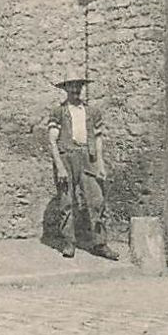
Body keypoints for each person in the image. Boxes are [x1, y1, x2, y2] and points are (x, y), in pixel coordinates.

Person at [45, 75, 118, 261]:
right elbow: (52, 142)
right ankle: (69, 242)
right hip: (66, 157)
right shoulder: (57, 112)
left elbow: (99, 140)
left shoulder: (92, 112)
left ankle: (100, 243)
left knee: (96, 201)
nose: (75, 91)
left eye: (78, 87)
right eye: (71, 87)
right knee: (66, 201)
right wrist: (60, 167)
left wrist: (100, 164)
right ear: (65, 89)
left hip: (89, 157)